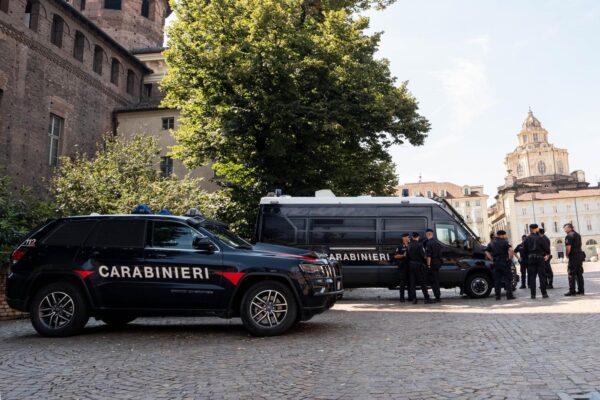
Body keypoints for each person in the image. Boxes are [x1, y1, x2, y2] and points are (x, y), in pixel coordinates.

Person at [485, 230, 516, 300]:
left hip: (496, 263)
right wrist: (509, 258)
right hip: (504, 262)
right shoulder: (505, 242)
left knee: (497, 280)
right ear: (502, 235)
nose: (506, 236)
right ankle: (509, 295)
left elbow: (486, 251)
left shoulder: (492, 243)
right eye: (505, 235)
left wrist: (491, 259)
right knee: (507, 279)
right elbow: (511, 250)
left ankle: (497, 296)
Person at [522, 224, 550, 299]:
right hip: (540, 258)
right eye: (537, 228)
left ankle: (533, 295)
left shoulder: (526, 239)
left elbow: (523, 251)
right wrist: (547, 254)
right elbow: (546, 248)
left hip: (531, 259)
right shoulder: (540, 238)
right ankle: (544, 294)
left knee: (532, 277)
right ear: (536, 229)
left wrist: (527, 258)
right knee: (542, 276)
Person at [407, 232, 433, 304]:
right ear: (418, 237)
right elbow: (423, 256)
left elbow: (407, 255)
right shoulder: (420, 245)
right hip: (419, 265)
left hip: (411, 265)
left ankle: (414, 299)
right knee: (422, 282)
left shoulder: (409, 245)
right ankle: (426, 298)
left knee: (412, 283)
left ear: (412, 237)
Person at [564, 223, 585, 296]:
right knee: (579, 274)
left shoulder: (569, 235)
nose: (564, 230)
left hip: (573, 256)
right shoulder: (577, 235)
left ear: (570, 228)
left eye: (565, 228)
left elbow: (568, 247)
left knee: (571, 274)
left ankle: (572, 291)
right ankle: (581, 290)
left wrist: (566, 255)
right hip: (579, 255)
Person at [424, 229, 442, 303]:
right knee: (436, 280)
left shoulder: (429, 243)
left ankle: (437, 297)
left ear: (428, 234)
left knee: (434, 282)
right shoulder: (437, 242)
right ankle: (438, 295)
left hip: (432, 264)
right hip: (437, 263)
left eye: (426, 234)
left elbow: (429, 256)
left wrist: (428, 265)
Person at [393, 233, 411, 302]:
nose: (409, 238)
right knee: (402, 283)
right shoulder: (400, 246)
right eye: (408, 237)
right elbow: (395, 256)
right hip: (402, 267)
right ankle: (402, 297)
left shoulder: (411, 245)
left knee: (410, 282)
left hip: (410, 267)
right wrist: (403, 255)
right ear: (404, 238)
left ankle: (410, 297)